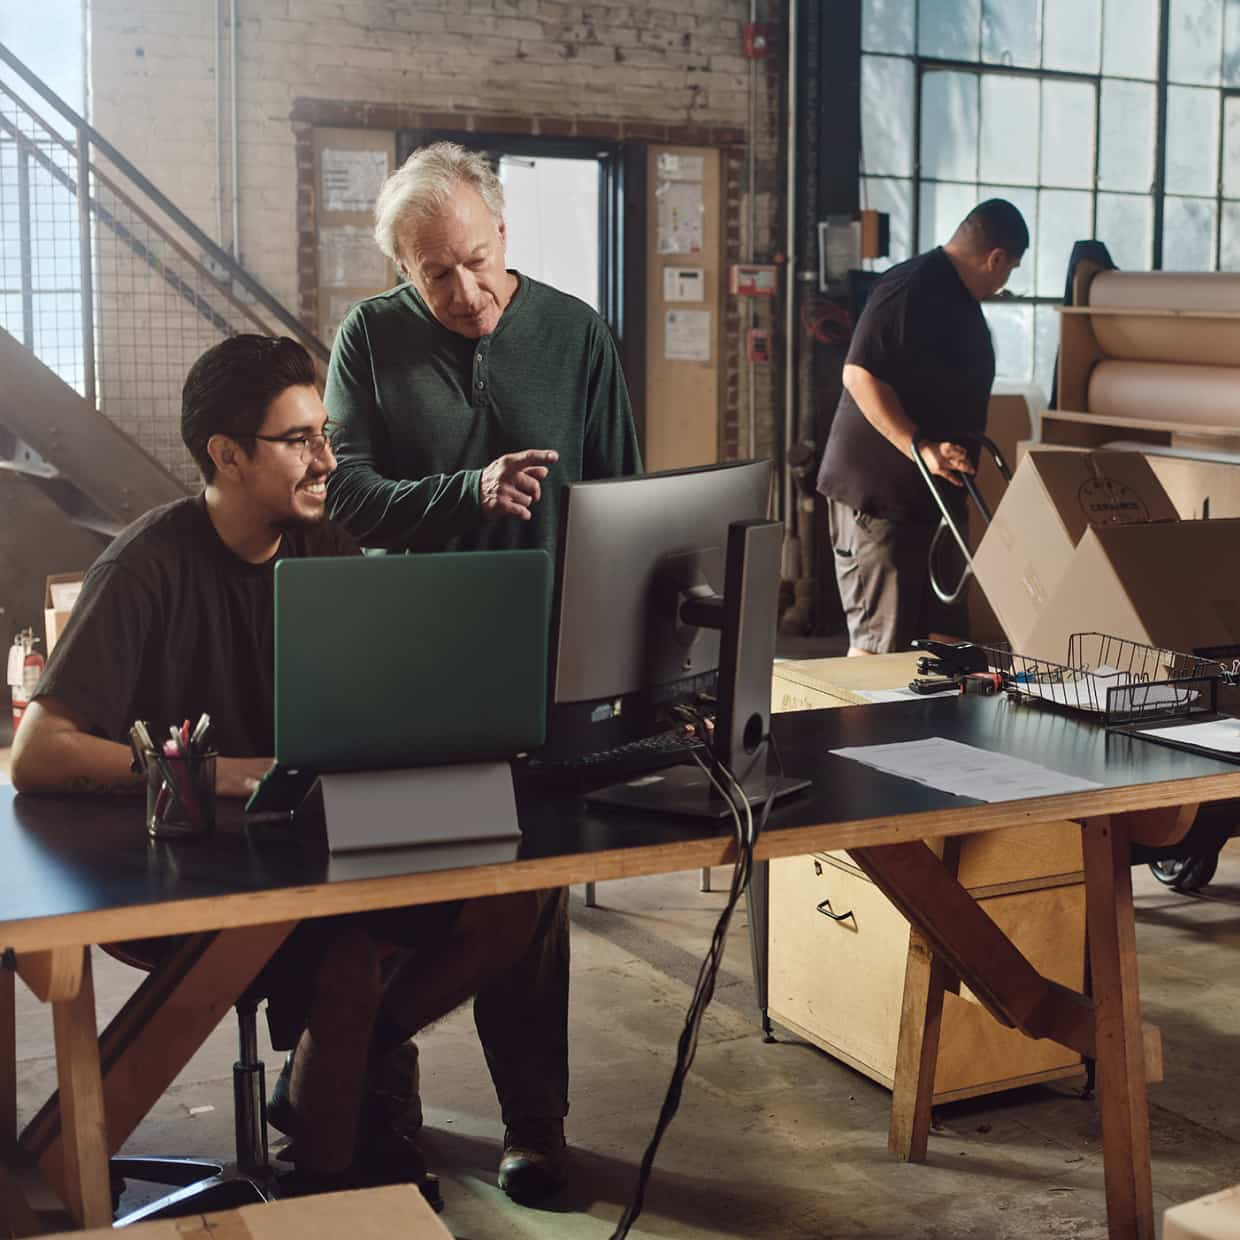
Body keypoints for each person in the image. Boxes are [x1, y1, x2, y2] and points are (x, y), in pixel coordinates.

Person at [8, 334, 545, 1207]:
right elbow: (40, 755)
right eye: (299, 440)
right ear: (226, 454)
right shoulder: (147, 567)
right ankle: (325, 1195)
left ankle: (329, 1079)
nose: (327, 460)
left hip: (306, 843)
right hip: (178, 864)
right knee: (345, 965)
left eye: (324, 434)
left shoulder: (326, 545)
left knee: (506, 907)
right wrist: (220, 773)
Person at [322, 141, 643, 1201]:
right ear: (400, 274)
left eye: (472, 260)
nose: (463, 292)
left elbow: (621, 508)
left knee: (530, 898)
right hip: (413, 653)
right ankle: (378, 1100)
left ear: (502, 232)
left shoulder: (577, 334)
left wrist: (628, 661)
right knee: (394, 887)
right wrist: (465, 490)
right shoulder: (368, 339)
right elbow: (347, 496)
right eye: (433, 275)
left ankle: (534, 1125)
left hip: (545, 661)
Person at [816, 198, 1029, 656]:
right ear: (996, 259)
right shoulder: (911, 286)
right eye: (1009, 269)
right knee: (881, 648)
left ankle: (933, 730)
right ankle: (864, 730)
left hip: (937, 500)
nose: (1005, 281)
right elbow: (858, 374)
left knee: (944, 648)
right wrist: (920, 446)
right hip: (882, 500)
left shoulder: (958, 298)